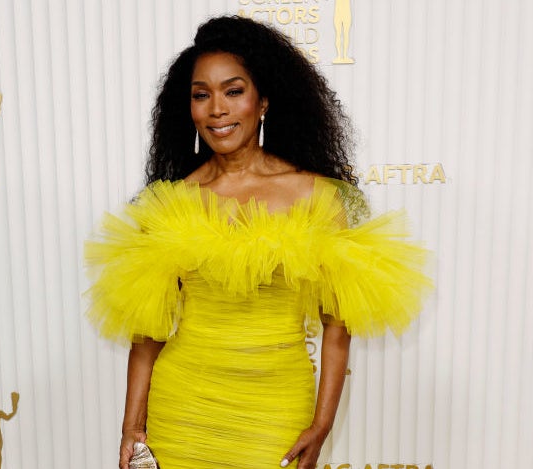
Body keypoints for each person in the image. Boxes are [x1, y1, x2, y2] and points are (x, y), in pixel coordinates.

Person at [85, 16, 431, 469]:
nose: (217, 109)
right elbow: (146, 336)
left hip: (276, 412)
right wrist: (132, 428)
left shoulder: (316, 197)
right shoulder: (171, 202)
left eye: (233, 91)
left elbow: (337, 325)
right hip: (183, 410)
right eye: (201, 95)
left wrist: (321, 424)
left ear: (263, 101)